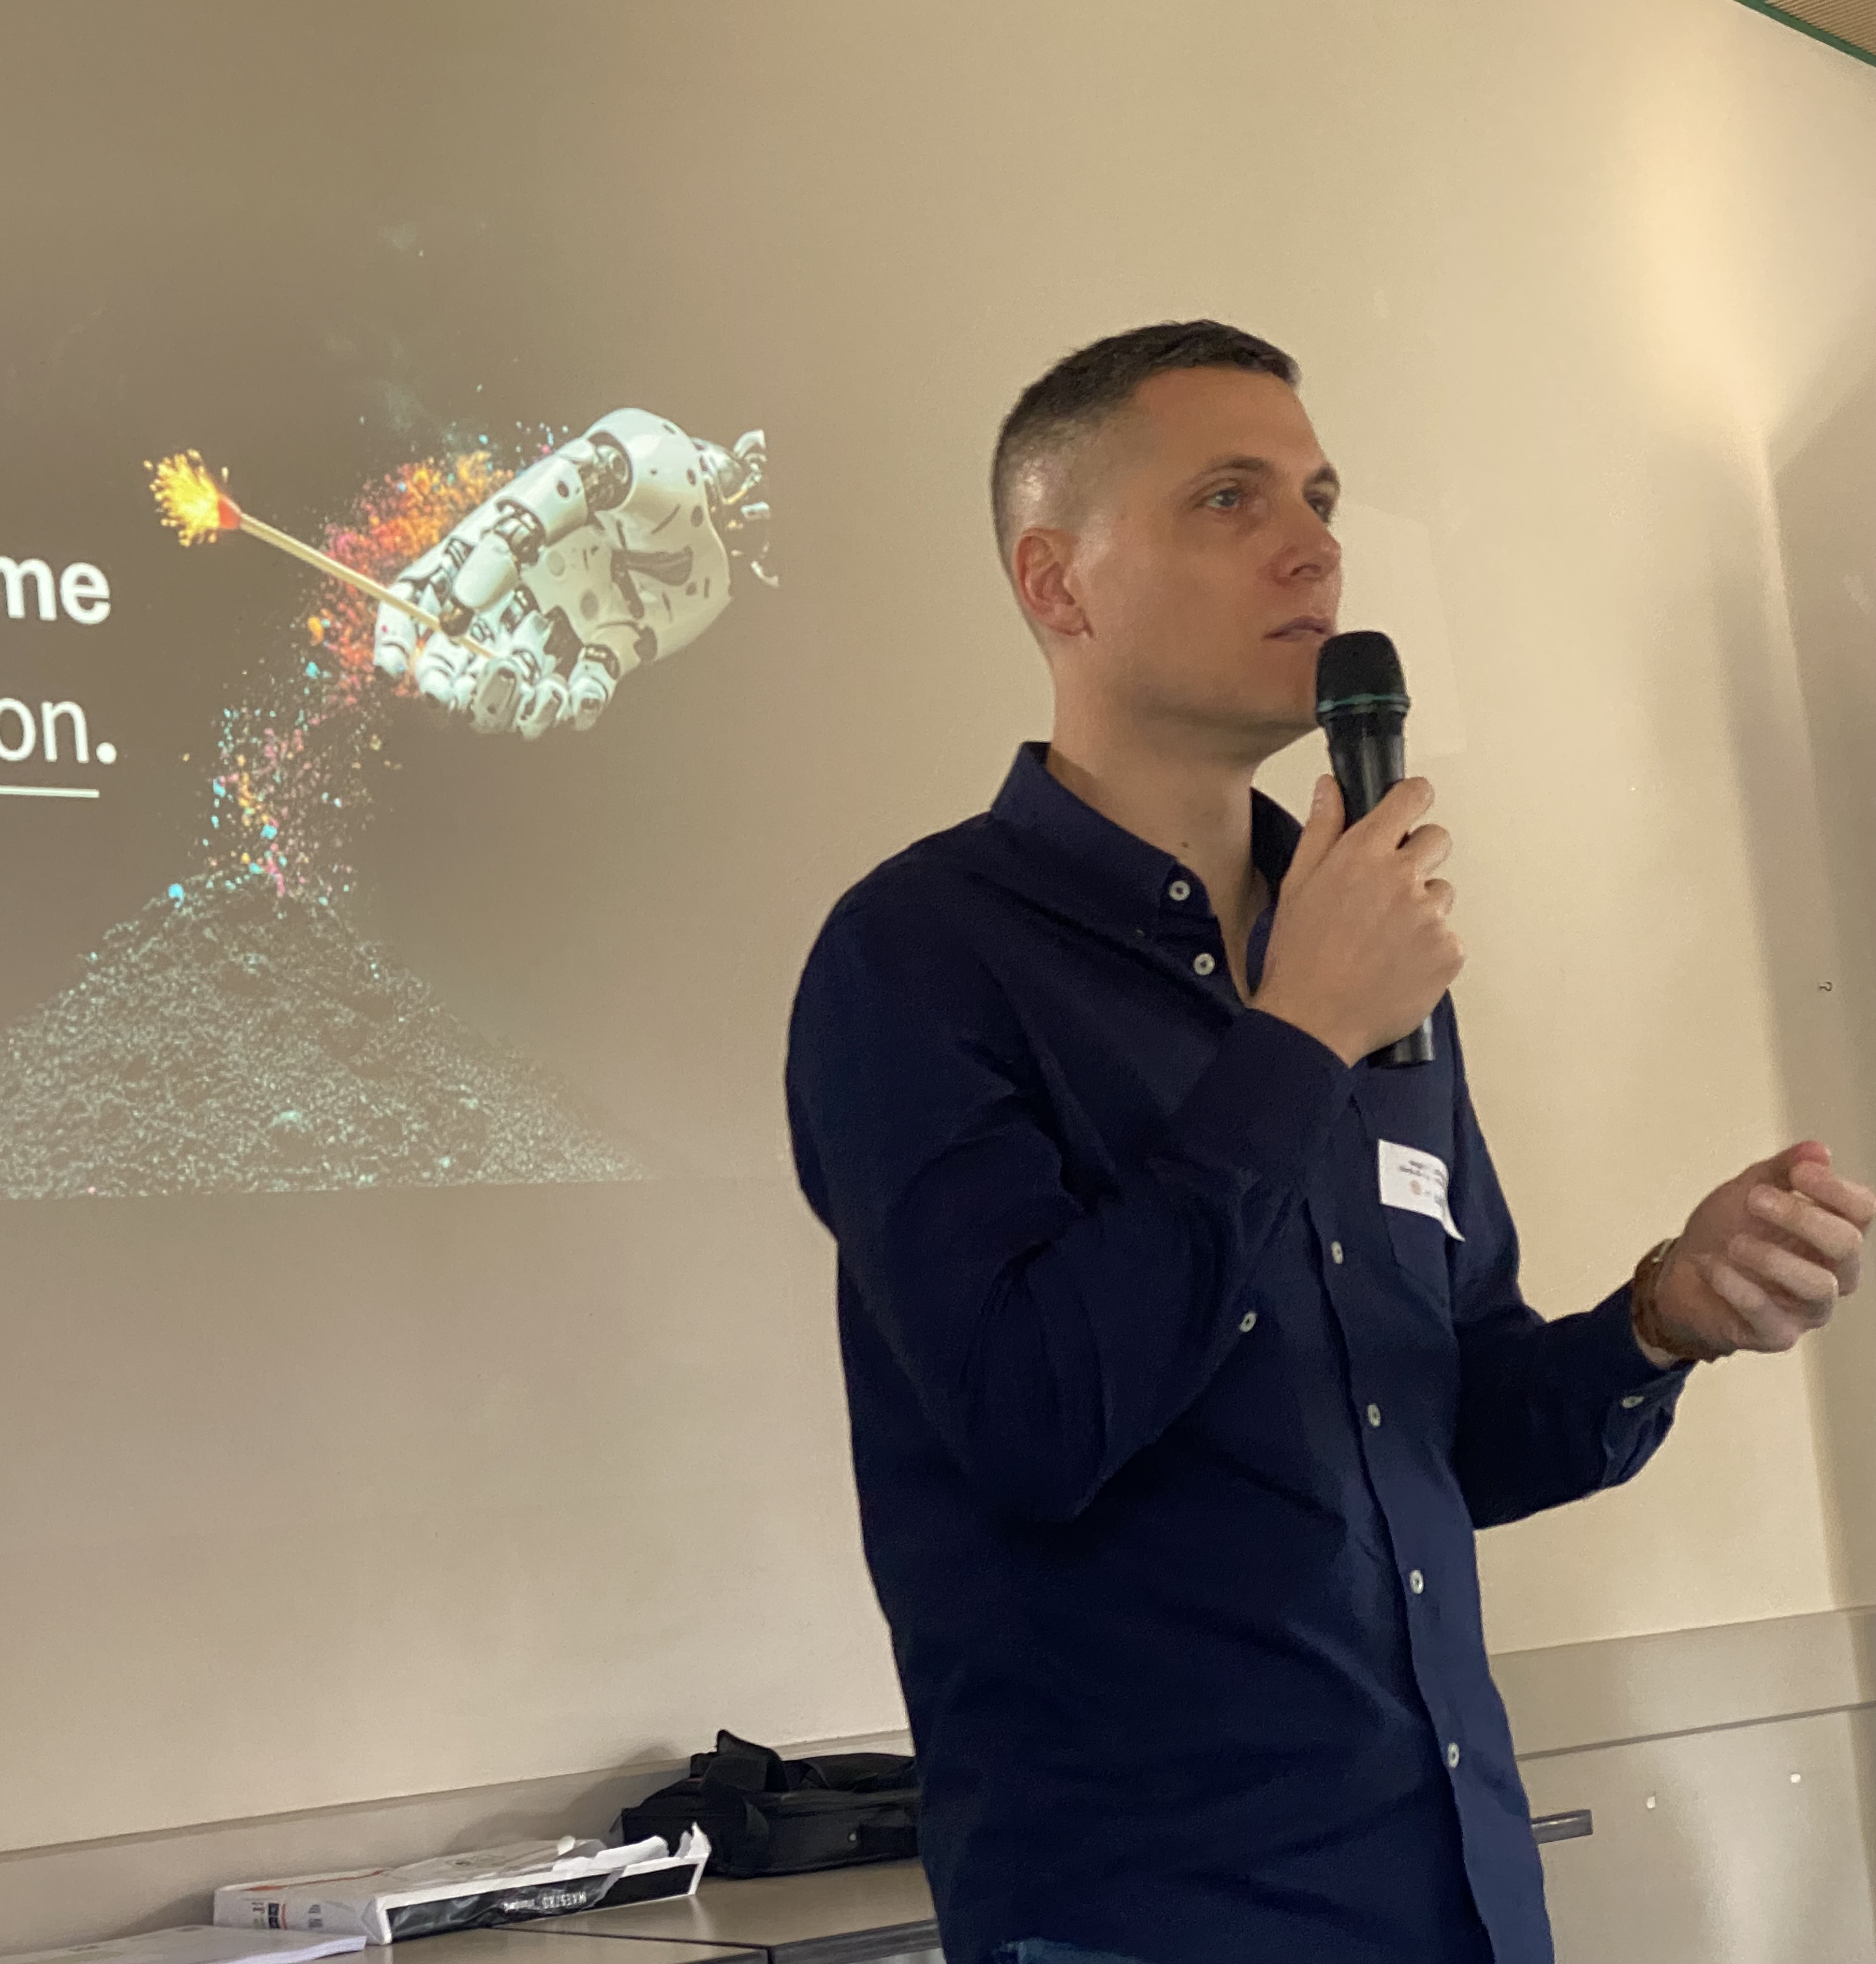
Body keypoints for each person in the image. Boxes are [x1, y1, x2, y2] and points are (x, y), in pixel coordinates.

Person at [781, 320, 1874, 1964]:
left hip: (1457, 1892)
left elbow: (1449, 1431)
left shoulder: (1360, 942)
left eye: (1320, 494)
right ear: (1057, 585)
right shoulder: (921, 956)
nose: (1315, 548)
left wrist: (1663, 1317)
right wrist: (1297, 1040)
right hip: (1151, 1921)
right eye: (1229, 498)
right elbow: (1033, 1419)